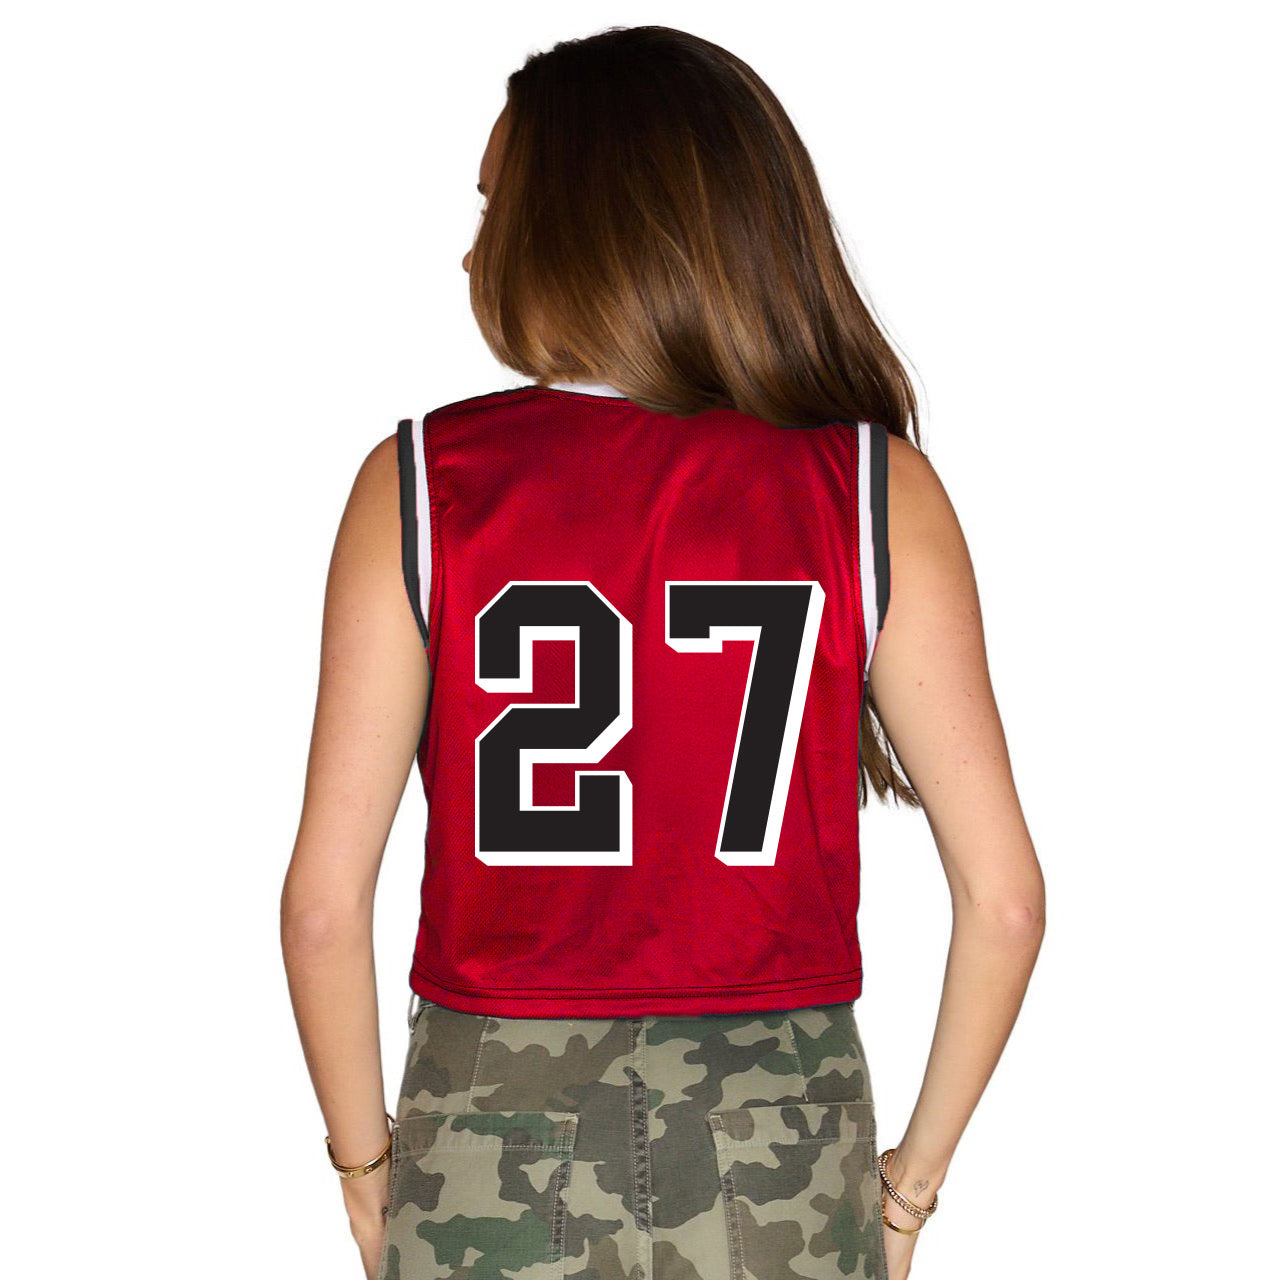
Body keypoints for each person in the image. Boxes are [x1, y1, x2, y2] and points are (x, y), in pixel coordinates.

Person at [281, 24, 1045, 1280]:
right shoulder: (870, 489)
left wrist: (367, 1176)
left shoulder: (419, 482)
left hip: (485, 1138)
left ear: (581, 222)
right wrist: (904, 1193)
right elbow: (1004, 901)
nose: (470, 247)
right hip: (781, 1141)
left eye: (494, 203)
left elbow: (322, 910)